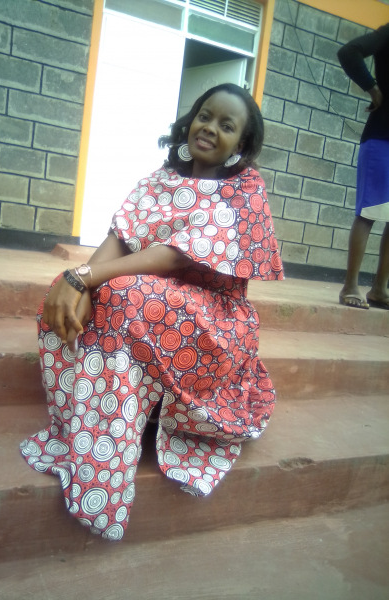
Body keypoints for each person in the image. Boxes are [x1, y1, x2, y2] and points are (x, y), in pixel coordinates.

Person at [20, 83, 284, 541]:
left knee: (124, 295)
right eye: (205, 116)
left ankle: (103, 470)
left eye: (226, 125)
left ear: (241, 143)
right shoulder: (158, 182)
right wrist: (78, 280)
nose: (210, 128)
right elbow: (120, 238)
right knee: (65, 294)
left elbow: (177, 257)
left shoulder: (246, 190)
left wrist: (88, 277)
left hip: (216, 318)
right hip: (155, 299)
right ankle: (82, 429)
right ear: (191, 120)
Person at [337, 23, 389, 310]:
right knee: (369, 212)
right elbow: (349, 52)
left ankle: (380, 289)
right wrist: (373, 89)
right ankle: (350, 286)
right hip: (382, 137)